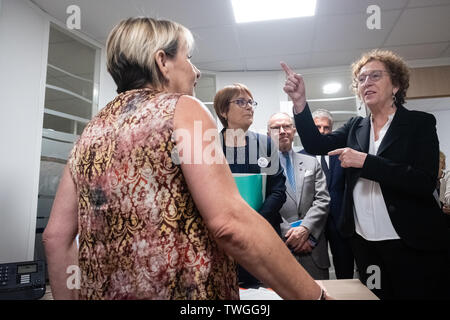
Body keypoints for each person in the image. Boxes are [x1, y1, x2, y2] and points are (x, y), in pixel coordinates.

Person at [43, 17, 330, 300]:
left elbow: (55, 237)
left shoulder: (93, 129)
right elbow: (229, 223)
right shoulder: (183, 109)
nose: (196, 72)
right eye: (188, 57)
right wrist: (315, 297)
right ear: (162, 62)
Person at [281, 49, 450, 300]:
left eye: (375, 76)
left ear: (396, 85)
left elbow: (424, 182)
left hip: (409, 241)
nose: (366, 82)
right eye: (361, 79)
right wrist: (300, 103)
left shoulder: (419, 124)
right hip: (365, 242)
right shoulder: (355, 126)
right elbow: (316, 144)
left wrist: (366, 162)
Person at [213, 83, 287, 288]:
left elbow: (278, 190)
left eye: (251, 102)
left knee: (265, 291)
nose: (249, 107)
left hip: (263, 233)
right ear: (223, 110)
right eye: (241, 102)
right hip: (225, 237)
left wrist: (255, 222)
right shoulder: (210, 147)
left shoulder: (266, 144)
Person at [267, 112, 330, 280]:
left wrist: (305, 230)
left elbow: (323, 200)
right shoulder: (261, 168)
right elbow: (262, 207)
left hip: (312, 247)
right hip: (280, 249)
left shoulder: (311, 162)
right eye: (276, 128)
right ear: (268, 134)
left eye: (287, 126)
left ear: (293, 130)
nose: (282, 131)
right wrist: (290, 235)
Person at [305, 109, 355, 279]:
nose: (322, 131)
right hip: (314, 221)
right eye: (318, 127)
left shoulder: (343, 155)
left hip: (339, 221)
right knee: (314, 267)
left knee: (344, 266)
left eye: (326, 128)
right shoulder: (302, 157)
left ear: (332, 130)